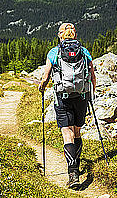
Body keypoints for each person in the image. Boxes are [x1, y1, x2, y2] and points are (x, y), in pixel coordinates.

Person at [38, 22, 96, 190]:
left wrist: (42, 86)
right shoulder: (84, 51)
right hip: (81, 96)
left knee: (66, 133)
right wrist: (91, 94)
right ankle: (75, 166)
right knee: (77, 131)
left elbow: (46, 75)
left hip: (62, 97)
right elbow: (92, 75)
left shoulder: (54, 52)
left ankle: (73, 173)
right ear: (74, 35)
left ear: (60, 35)